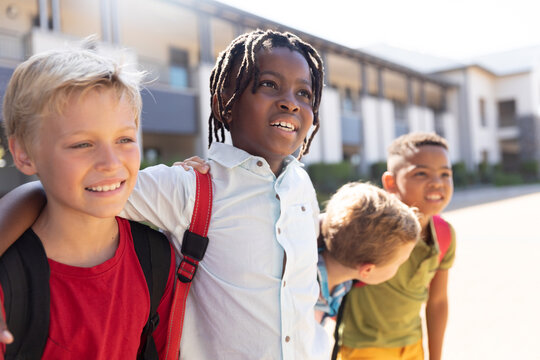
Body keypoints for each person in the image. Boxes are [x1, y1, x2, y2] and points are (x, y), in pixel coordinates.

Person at [0, 29, 329, 359]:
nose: (290, 101)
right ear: (222, 103)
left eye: (305, 92)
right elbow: (58, 191)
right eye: (269, 84)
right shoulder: (191, 186)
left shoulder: (301, 186)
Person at [0, 47, 175, 359]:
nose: (110, 163)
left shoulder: (156, 259)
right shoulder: (8, 279)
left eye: (124, 140)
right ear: (23, 153)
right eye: (82, 144)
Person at [335, 132, 456, 360]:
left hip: (412, 347)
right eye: (421, 173)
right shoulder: (370, 227)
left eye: (445, 174)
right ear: (390, 182)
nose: (437, 182)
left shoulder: (444, 233)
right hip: (363, 348)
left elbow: (437, 301)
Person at [315, 182, 420, 324]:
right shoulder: (307, 294)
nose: (401, 266)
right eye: (399, 263)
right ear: (367, 270)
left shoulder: (341, 282)